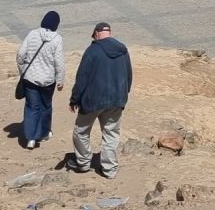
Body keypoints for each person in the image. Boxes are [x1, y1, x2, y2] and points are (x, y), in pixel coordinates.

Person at [67, 22, 132, 179]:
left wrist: (74, 99)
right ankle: (110, 170)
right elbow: (129, 75)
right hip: (117, 100)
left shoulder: (92, 51)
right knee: (111, 134)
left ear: (96, 33)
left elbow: (82, 78)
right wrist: (124, 94)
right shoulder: (122, 50)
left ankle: (83, 162)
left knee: (80, 131)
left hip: (93, 101)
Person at [16, 11, 65, 150]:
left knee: (32, 107)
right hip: (48, 80)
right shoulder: (57, 39)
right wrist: (60, 79)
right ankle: (43, 133)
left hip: (30, 78)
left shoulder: (32, 34)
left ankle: (31, 138)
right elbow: (59, 62)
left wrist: (22, 70)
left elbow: (20, 54)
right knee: (46, 106)